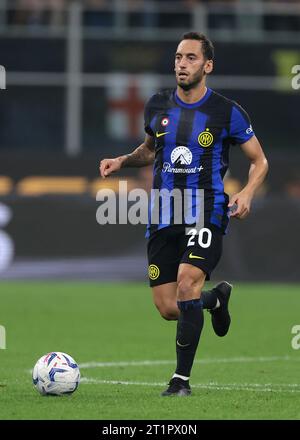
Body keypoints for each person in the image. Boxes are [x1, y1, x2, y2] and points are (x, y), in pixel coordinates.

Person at [99, 31, 269, 397]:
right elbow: (148, 150)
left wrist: (248, 192)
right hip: (163, 212)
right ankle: (216, 299)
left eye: (191, 58)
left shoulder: (227, 111)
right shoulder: (157, 105)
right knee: (169, 306)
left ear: (207, 66)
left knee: (189, 281)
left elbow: (259, 160)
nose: (181, 63)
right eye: (178, 57)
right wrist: (122, 161)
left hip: (206, 208)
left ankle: (180, 381)